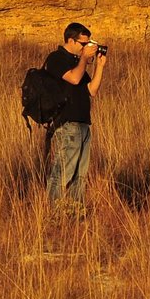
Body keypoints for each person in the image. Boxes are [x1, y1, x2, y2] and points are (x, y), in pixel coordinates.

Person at [44, 22, 109, 212]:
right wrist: (83, 59)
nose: (86, 48)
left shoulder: (76, 61)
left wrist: (100, 66)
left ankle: (75, 210)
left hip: (83, 123)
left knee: (80, 173)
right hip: (67, 122)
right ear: (71, 40)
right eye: (83, 44)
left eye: (88, 44)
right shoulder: (57, 58)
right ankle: (53, 211)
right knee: (64, 170)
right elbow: (73, 78)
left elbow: (92, 90)